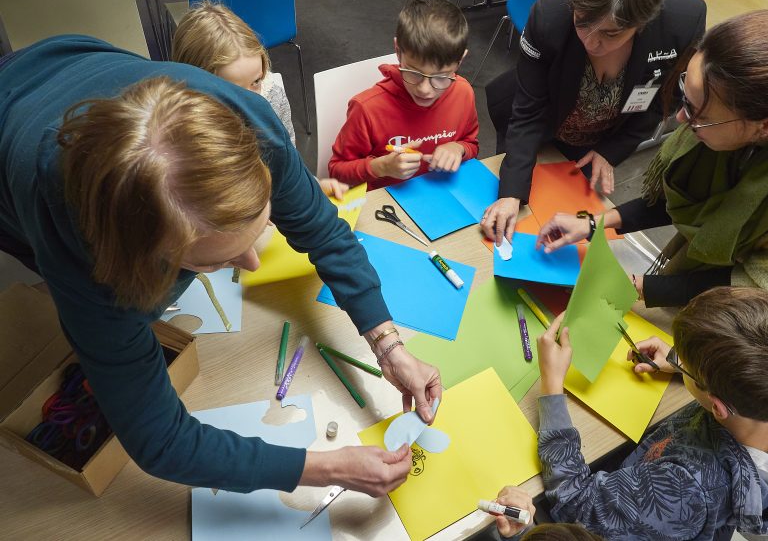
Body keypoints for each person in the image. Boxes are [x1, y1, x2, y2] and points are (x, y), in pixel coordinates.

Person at [0, 35, 442, 496]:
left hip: (66, 57)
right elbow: (160, 440)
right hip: (8, 126)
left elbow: (326, 233)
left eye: (258, 228)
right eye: (218, 259)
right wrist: (325, 469)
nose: (251, 263)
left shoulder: (249, 128)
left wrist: (389, 346)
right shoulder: (85, 258)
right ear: (145, 256)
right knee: (94, 318)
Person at [533, 10, 768, 327]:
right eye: (686, 95)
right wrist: (593, 224)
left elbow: (749, 283)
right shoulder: (730, 101)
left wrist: (631, 286)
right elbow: (685, 197)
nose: (680, 119)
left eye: (698, 113)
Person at [506, 287, 768, 540]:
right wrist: (681, 366)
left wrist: (551, 386)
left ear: (717, 406)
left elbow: (577, 505)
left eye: (685, 363)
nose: (679, 360)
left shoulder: (685, 490)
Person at [482, 0, 706, 244]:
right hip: (537, 123)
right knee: (512, 210)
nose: (591, 41)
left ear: (643, 22)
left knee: (561, 224)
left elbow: (660, 98)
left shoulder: (683, 23)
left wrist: (611, 150)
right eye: (583, 21)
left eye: (611, 34)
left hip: (593, 143)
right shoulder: (550, 13)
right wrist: (511, 192)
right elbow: (528, 111)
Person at [171, 0, 348, 199]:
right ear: (199, 86)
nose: (253, 99)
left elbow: (288, 165)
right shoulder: (180, 130)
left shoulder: (271, 94)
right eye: (235, 91)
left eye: (256, 81)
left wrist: (313, 186)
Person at [328, 0, 479, 190]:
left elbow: (472, 144)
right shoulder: (367, 108)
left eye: (441, 77)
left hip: (442, 198)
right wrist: (380, 167)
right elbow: (336, 171)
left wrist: (458, 149)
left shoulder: (463, 92)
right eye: (414, 73)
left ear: (460, 60)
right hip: (385, 205)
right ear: (397, 50)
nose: (425, 89)